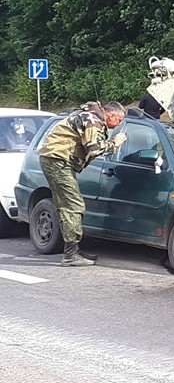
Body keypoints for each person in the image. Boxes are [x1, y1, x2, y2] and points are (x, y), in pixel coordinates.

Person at [38, 101, 127, 267]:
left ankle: (74, 250)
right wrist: (115, 143)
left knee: (68, 205)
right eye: (119, 120)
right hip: (58, 161)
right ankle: (70, 254)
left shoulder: (91, 117)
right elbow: (94, 149)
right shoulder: (93, 121)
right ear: (111, 115)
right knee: (73, 206)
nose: (119, 124)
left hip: (57, 160)